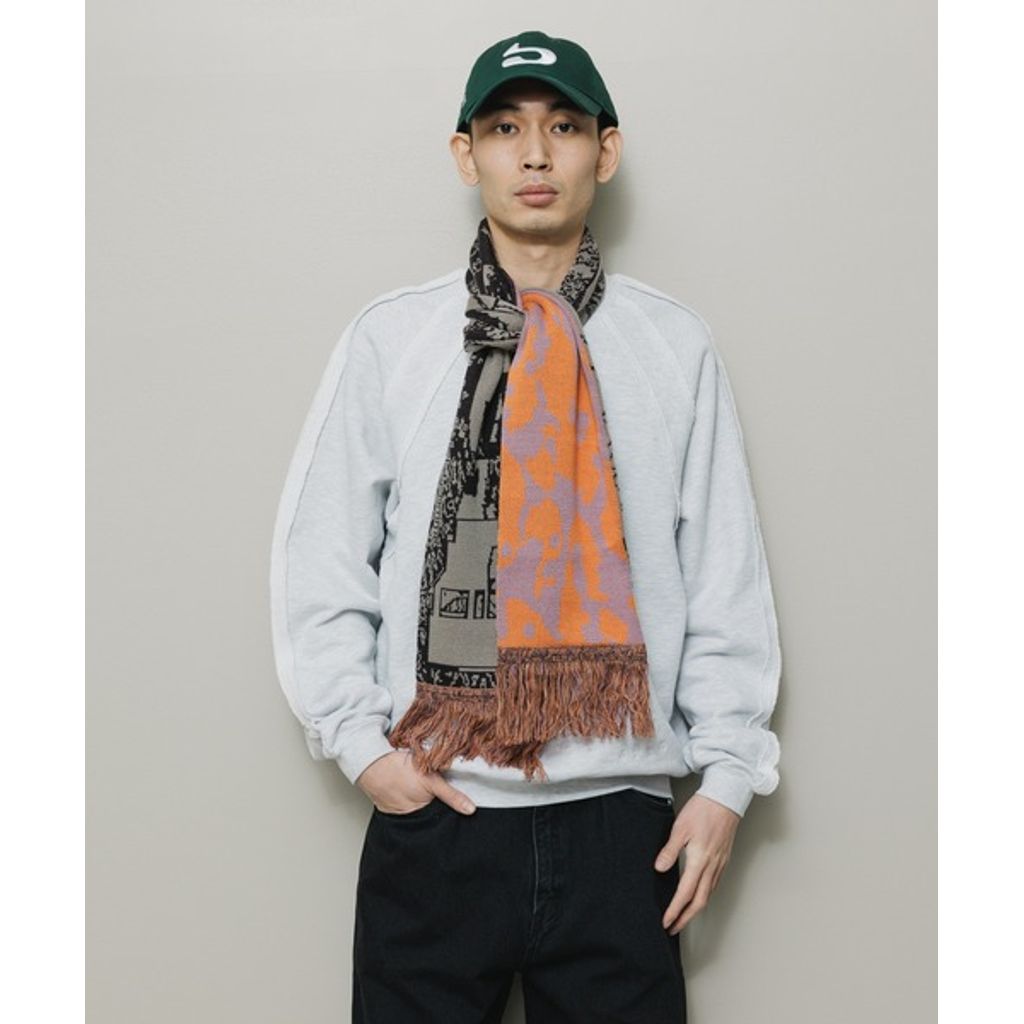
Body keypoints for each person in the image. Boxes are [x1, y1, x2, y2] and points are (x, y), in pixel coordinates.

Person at [270, 28, 782, 1024]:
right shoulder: (393, 338)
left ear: (606, 150)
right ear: (467, 155)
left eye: (564, 127)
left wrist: (726, 780)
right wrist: (363, 750)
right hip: (440, 821)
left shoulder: (673, 344)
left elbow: (722, 572)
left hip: (621, 831)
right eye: (505, 128)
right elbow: (320, 560)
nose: (536, 154)